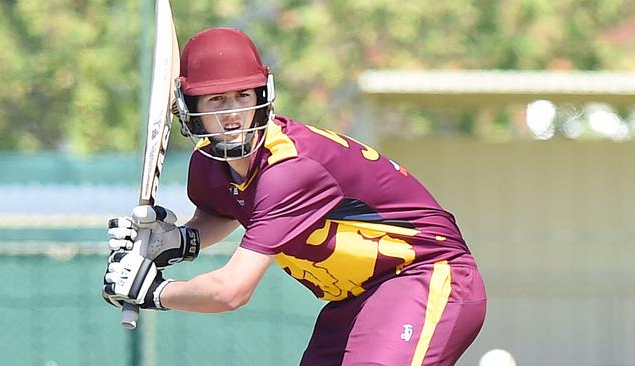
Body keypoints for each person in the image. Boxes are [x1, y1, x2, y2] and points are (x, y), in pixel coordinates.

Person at [103, 27, 487, 366]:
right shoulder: (209, 164)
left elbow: (231, 291)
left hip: (425, 276)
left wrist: (155, 292)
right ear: (192, 109)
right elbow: (227, 211)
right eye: (216, 100)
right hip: (356, 298)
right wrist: (179, 241)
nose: (233, 113)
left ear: (262, 94)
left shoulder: (289, 171)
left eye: (241, 95)